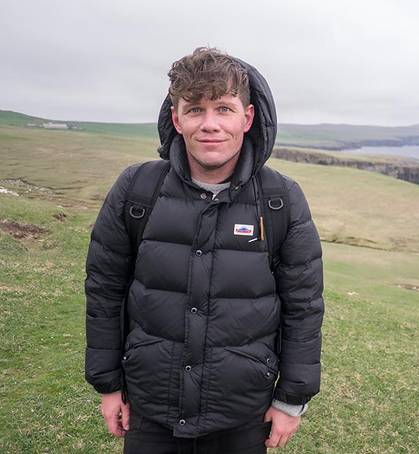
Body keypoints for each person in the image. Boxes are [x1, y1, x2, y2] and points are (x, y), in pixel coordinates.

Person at [84, 47, 324, 453]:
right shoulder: (137, 189)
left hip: (244, 414)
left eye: (224, 109)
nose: (210, 124)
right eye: (195, 109)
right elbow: (104, 291)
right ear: (177, 119)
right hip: (151, 409)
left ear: (247, 118)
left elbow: (303, 304)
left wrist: (291, 398)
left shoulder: (281, 198)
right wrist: (108, 385)